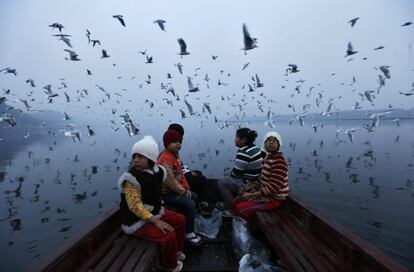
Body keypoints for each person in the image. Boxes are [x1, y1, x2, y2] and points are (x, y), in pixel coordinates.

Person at [117, 135, 186, 272]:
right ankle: (169, 266)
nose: (135, 160)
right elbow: (134, 206)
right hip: (136, 220)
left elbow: (166, 182)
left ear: (151, 159)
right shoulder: (131, 179)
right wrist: (155, 221)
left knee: (180, 220)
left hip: (154, 211)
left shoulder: (159, 171)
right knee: (168, 236)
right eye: (134, 156)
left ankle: (176, 251)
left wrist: (184, 187)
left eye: (140, 156)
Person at [157, 129, 202, 245]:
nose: (178, 144)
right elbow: (169, 181)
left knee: (194, 196)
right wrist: (183, 192)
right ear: (167, 143)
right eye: (174, 141)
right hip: (165, 193)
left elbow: (180, 174)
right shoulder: (165, 158)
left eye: (180, 141)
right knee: (189, 203)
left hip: (174, 190)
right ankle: (189, 233)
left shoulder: (175, 155)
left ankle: (187, 223)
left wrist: (187, 189)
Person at [232, 131, 289, 221]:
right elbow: (261, 179)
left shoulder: (279, 162)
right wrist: (250, 188)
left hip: (274, 199)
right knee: (236, 201)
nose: (271, 142)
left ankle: (248, 231)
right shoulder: (267, 159)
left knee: (241, 209)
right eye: (268, 140)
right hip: (265, 194)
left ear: (279, 144)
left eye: (275, 140)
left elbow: (273, 187)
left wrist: (251, 195)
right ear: (264, 144)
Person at [168, 123, 223, 206]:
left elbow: (180, 165)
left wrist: (188, 171)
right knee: (200, 178)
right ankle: (203, 202)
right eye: (181, 135)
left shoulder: (172, 147)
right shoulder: (170, 151)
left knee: (198, 172)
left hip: (178, 174)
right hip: (176, 179)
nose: (182, 138)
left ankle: (200, 200)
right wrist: (189, 173)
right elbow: (175, 171)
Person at [217, 128, 263, 216]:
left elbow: (235, 174)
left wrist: (228, 175)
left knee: (221, 182)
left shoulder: (244, 152)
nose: (235, 140)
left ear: (243, 140)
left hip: (248, 183)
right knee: (227, 176)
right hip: (256, 180)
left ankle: (231, 210)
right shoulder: (256, 148)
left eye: (237, 137)